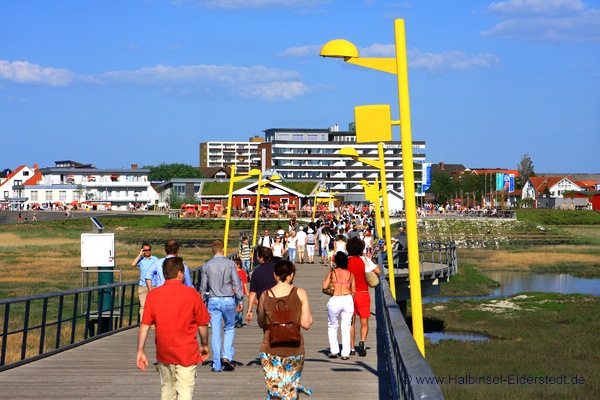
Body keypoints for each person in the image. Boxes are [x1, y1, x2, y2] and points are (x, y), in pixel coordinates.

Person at [136, 257, 210, 400]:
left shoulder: (153, 295)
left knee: (167, 391)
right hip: (187, 352)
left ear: (164, 274)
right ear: (180, 274)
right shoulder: (192, 294)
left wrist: (140, 351)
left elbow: (144, 326)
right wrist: (205, 345)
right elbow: (202, 325)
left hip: (164, 352)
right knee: (185, 393)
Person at [258, 260, 313, 399]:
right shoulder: (300, 293)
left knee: (274, 391)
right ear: (291, 275)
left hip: (270, 348)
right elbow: (306, 323)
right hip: (294, 348)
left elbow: (260, 321)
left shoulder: (265, 295)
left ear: (274, 275)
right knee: (290, 389)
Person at [199, 240, 244, 372]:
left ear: (213, 250)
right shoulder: (230, 264)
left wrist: (201, 300)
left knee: (216, 331)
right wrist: (240, 300)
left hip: (213, 300)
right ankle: (227, 356)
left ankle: (216, 363)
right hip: (228, 299)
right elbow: (237, 283)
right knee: (229, 327)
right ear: (223, 250)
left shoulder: (207, 265)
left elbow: (203, 287)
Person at [346, 237, 378, 357]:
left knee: (351, 323)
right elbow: (378, 271)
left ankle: (351, 348)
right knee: (364, 322)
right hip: (363, 293)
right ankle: (363, 341)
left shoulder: (346, 261)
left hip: (349, 294)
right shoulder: (365, 260)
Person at [322, 252, 355, 360]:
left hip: (335, 299)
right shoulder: (350, 274)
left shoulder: (332, 272)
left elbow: (325, 285)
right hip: (347, 299)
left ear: (336, 261)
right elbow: (353, 290)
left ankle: (334, 351)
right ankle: (345, 353)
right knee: (346, 327)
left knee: (332, 325)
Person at [245, 246, 277, 323]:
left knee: (267, 328)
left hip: (263, 305)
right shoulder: (278, 268)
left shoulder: (256, 272)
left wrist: (249, 311)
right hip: (279, 302)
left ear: (262, 258)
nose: (256, 257)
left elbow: (252, 293)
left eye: (258, 256)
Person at [130, 242, 158, 320]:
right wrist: (139, 255)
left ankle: (153, 322)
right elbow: (133, 264)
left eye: (149, 250)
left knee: (154, 305)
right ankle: (143, 322)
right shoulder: (141, 260)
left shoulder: (155, 259)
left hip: (153, 285)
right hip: (142, 285)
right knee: (143, 305)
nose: (147, 251)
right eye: (145, 250)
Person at [234, 257, 248, 328]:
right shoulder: (231, 272)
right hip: (232, 292)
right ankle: (234, 320)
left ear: (238, 265)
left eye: (235, 264)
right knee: (233, 306)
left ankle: (239, 321)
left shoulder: (242, 272)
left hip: (240, 292)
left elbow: (244, 283)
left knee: (240, 306)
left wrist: (246, 292)